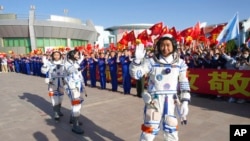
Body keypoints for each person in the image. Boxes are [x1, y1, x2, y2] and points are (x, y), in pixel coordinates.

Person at [129, 34, 191, 141]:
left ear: (174, 46)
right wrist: (137, 62)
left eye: (168, 45)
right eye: (162, 45)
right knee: (149, 131)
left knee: (171, 131)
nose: (165, 48)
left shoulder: (180, 63)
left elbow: (184, 82)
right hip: (154, 101)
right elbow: (136, 74)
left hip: (171, 101)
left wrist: (185, 101)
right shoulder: (151, 62)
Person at [64, 49, 86, 134]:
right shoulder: (67, 63)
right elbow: (70, 70)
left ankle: (72, 119)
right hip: (72, 87)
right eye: (77, 55)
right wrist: (78, 66)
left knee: (75, 103)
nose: (78, 56)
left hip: (77, 86)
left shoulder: (74, 62)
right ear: (72, 55)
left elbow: (78, 73)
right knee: (77, 104)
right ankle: (75, 126)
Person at [41, 51, 65, 122]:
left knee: (61, 98)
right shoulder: (49, 63)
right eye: (55, 55)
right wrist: (45, 64)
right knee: (54, 99)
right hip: (52, 83)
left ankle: (59, 110)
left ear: (60, 56)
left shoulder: (63, 63)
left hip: (61, 83)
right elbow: (43, 71)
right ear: (53, 56)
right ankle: (56, 113)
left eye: (58, 55)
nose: (56, 56)